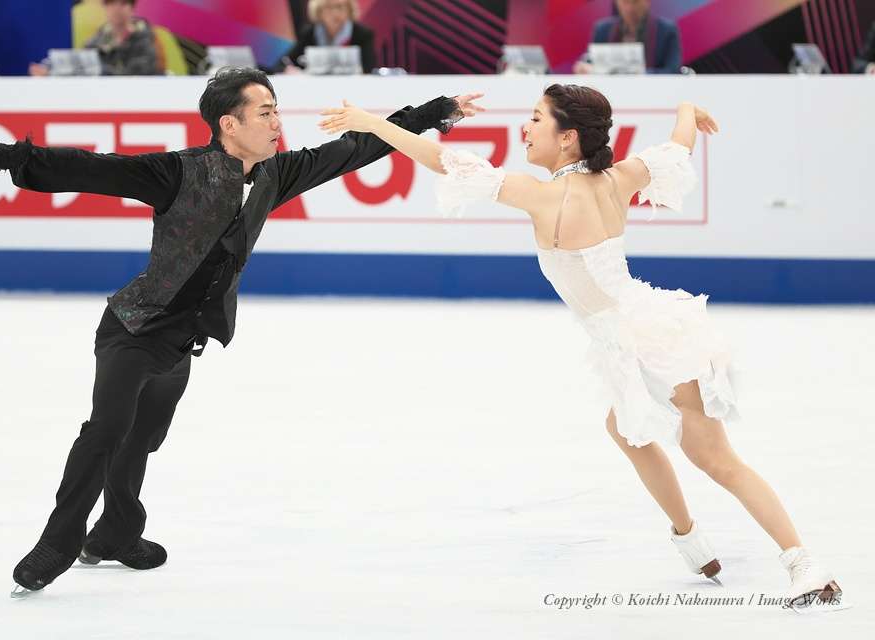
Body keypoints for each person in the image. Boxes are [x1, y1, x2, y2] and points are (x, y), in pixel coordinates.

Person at [0, 66, 483, 595]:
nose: (277, 124)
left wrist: (437, 112)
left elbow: (358, 148)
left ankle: (115, 534)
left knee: (141, 441)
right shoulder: (178, 171)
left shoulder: (277, 173)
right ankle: (58, 545)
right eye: (265, 113)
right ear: (230, 123)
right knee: (107, 432)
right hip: (135, 327)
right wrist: (1, 155)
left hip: (183, 339)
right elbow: (91, 168)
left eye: (277, 112)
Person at [316, 86, 845, 609]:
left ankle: (804, 564)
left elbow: (442, 159)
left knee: (714, 458)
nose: (525, 128)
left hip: (653, 338)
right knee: (627, 430)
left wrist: (371, 121)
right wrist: (686, 109)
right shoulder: (618, 178)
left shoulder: (545, 196)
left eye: (536, 119)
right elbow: (677, 147)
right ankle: (690, 539)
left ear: (568, 139)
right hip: (628, 337)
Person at [30, 0, 161, 76]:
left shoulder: (144, 38)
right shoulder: (101, 38)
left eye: (122, 3)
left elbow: (137, 74)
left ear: (132, 8)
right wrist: (50, 68)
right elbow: (80, 59)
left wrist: (99, 70)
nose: (116, 9)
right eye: (111, 3)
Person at [573, 0, 682, 75]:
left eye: (635, 2)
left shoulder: (666, 30)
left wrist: (641, 74)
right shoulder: (603, 29)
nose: (630, 8)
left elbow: (673, 70)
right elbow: (589, 60)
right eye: (625, 2)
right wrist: (583, 67)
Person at [277, 0, 376, 74]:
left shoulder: (363, 34)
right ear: (319, 11)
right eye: (328, 7)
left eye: (340, 7)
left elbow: (370, 68)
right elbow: (284, 62)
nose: (335, 13)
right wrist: (288, 69)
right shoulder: (309, 33)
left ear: (349, 10)